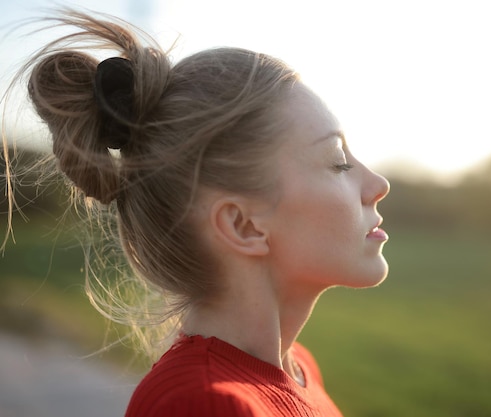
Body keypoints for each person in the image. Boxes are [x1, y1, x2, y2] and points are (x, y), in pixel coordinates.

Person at [3, 9, 390, 417]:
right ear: (242, 225)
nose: (378, 185)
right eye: (338, 162)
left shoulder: (298, 369)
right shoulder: (202, 404)